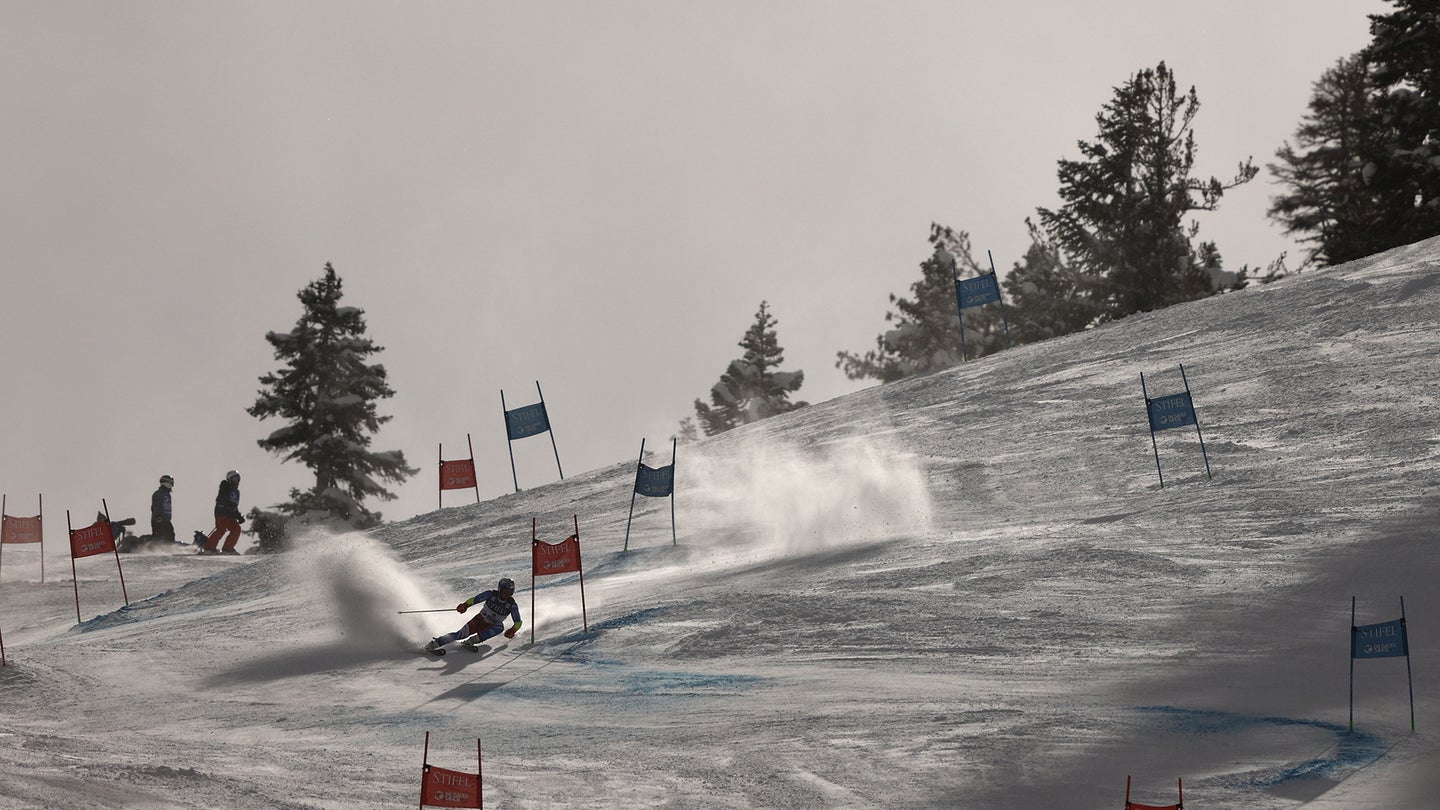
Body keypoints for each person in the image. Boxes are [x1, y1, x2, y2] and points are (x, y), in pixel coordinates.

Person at [425, 577, 523, 655]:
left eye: (509, 593)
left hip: (491, 626)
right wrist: (465, 605)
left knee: (500, 627)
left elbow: (518, 622)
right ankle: (435, 643)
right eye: (505, 592)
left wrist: (513, 630)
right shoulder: (491, 594)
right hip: (479, 620)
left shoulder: (511, 605)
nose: (507, 595)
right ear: (500, 589)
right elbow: (476, 599)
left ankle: (472, 641)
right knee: (460, 634)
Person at [201, 470, 244, 555]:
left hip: (231, 514)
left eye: (238, 478)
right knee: (221, 529)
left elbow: (234, 506)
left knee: (236, 529)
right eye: (235, 478)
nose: (237, 481)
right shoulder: (226, 486)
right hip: (222, 512)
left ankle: (228, 548)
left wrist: (238, 516)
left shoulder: (236, 491)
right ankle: (209, 548)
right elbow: (222, 498)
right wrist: (227, 507)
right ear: (229, 479)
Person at [150, 474, 176, 544]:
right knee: (160, 537)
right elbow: (155, 506)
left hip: (166, 520)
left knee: (170, 535)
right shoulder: (159, 493)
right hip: (159, 520)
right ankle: (157, 549)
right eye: (171, 482)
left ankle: (170, 549)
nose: (172, 485)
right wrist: (158, 516)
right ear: (166, 483)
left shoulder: (167, 494)